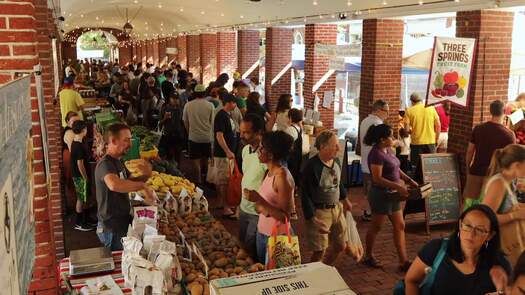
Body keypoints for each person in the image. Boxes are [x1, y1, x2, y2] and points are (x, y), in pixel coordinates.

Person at [404, 204, 511, 294]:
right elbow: (411, 280)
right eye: (468, 226)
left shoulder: (500, 265)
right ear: (460, 225)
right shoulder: (436, 249)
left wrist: (501, 291)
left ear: (490, 235)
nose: (471, 234)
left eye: (480, 229)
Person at [95, 123, 158, 251]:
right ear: (113, 140)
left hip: (122, 222)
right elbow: (114, 184)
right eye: (126, 140)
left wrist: (145, 176)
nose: (130, 144)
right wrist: (142, 186)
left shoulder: (119, 161)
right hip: (111, 228)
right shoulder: (105, 164)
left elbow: (127, 181)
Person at [363, 124, 417, 271]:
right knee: (376, 226)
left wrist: (408, 180)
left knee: (400, 225)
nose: (393, 138)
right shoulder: (376, 154)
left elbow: (396, 168)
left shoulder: (387, 150)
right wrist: (398, 186)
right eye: (391, 136)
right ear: (382, 139)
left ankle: (403, 261)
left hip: (392, 194)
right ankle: (368, 255)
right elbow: (377, 178)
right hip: (380, 194)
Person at [301, 130, 352, 265]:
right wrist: (312, 217)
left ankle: (325, 269)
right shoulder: (311, 167)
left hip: (337, 209)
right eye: (335, 145)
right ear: (323, 146)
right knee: (319, 250)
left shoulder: (335, 162)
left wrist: (345, 198)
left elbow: (338, 181)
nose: (338, 148)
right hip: (320, 212)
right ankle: (313, 277)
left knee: (341, 245)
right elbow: (305, 194)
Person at [244, 131, 295, 264]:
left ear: (271, 155)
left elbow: (285, 216)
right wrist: (260, 206)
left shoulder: (282, 177)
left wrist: (259, 201)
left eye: (261, 148)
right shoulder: (269, 172)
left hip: (276, 237)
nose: (258, 151)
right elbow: (265, 206)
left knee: (272, 278)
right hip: (262, 232)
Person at [464, 100, 516, 205]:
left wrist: (468, 167)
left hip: (476, 170)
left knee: (468, 203)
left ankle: (463, 221)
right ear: (504, 112)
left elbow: (470, 151)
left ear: (490, 111)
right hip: (495, 175)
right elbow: (510, 159)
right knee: (487, 206)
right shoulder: (509, 134)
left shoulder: (478, 129)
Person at [481, 144, 525, 265]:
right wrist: (516, 215)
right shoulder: (498, 183)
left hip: (507, 246)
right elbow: (486, 218)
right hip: (499, 247)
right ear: (517, 165)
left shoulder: (509, 181)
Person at [238, 114, 267, 261]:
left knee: (252, 252)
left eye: (246, 132)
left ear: (259, 133)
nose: (241, 136)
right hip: (244, 208)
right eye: (241, 131)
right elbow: (247, 176)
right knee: (242, 245)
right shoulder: (245, 150)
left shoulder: (267, 156)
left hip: (257, 212)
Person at [359, 99, 389, 222]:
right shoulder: (377, 124)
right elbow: (381, 144)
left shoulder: (365, 121)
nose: (388, 114)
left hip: (365, 161)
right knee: (374, 187)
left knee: (368, 187)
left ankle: (368, 210)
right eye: (386, 111)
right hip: (375, 162)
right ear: (378, 110)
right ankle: (372, 211)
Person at [211, 93, 238, 217]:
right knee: (224, 181)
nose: (235, 105)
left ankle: (221, 202)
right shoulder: (221, 116)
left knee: (223, 180)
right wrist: (227, 151)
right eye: (234, 103)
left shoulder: (227, 115)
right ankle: (226, 207)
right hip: (223, 154)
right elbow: (219, 135)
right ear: (228, 103)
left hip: (225, 153)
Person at [183, 84, 215, 184]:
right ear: (205, 93)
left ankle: (198, 178)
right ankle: (205, 176)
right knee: (206, 157)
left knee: (196, 159)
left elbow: (185, 121)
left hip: (194, 137)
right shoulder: (210, 105)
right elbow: (212, 121)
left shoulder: (188, 105)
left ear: (195, 93)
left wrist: (189, 131)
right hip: (207, 137)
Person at [404, 93, 440, 180]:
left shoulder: (409, 111)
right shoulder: (431, 108)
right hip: (430, 141)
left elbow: (406, 130)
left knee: (415, 166)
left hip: (416, 142)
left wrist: (411, 131)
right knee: (431, 166)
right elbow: (438, 125)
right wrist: (436, 139)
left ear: (412, 101)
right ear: (421, 100)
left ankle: (417, 185)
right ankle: (430, 183)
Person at [70, 120, 95, 231]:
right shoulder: (78, 146)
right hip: (79, 176)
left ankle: (87, 219)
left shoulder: (76, 142)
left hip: (79, 175)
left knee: (85, 198)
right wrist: (85, 177)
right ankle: (79, 223)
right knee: (81, 198)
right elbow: (80, 164)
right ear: (83, 130)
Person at [159, 94, 184, 163]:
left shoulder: (181, 109)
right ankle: (170, 171)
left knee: (178, 154)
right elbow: (160, 122)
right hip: (168, 134)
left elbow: (184, 122)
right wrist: (165, 118)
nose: (175, 101)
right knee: (169, 155)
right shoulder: (165, 108)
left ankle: (178, 170)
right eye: (173, 99)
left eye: (177, 99)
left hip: (179, 135)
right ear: (170, 99)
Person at [285, 108, 304, 184]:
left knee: (289, 179)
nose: (286, 118)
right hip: (297, 158)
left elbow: (286, 145)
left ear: (291, 118)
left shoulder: (290, 130)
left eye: (287, 116)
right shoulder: (299, 128)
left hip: (291, 159)